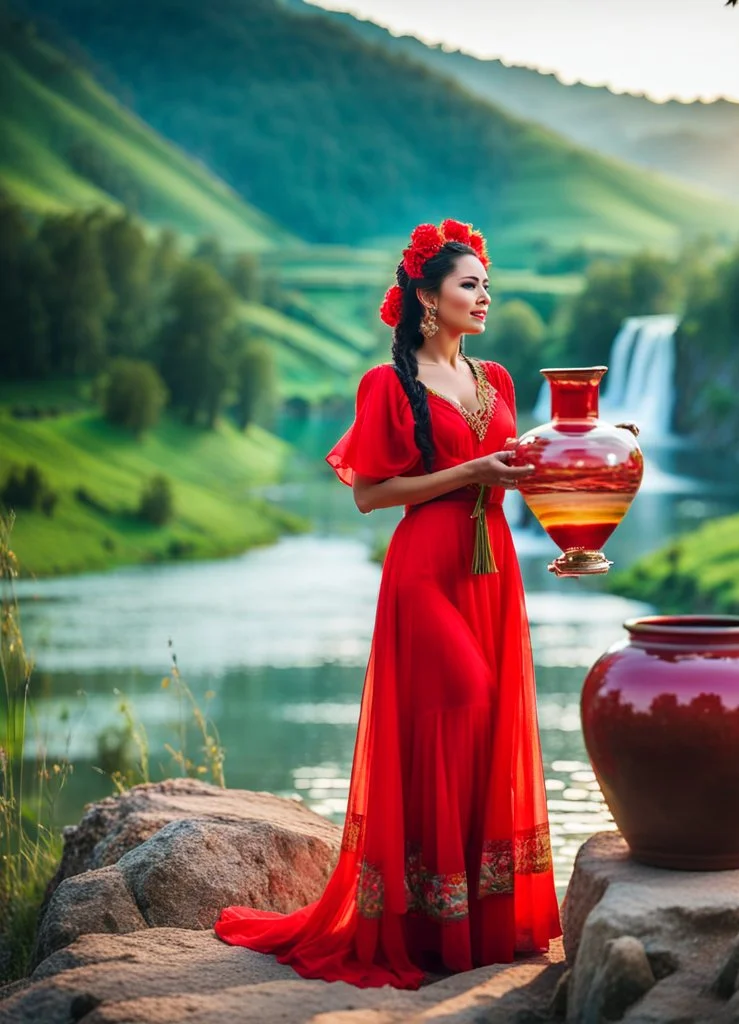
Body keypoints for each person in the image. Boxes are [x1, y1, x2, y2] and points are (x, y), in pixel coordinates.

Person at [214, 219, 562, 988]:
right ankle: (427, 924)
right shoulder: (388, 383)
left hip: (492, 566)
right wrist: (472, 470)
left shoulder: (497, 380)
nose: (485, 295)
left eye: (485, 283)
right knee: (460, 698)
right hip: (425, 567)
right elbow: (372, 495)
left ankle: (478, 919)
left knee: (492, 712)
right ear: (428, 299)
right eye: (470, 284)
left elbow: (512, 470)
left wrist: (575, 479)